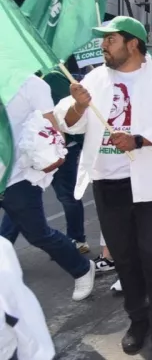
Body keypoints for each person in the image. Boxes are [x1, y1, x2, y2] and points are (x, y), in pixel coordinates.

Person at [54, 16, 152, 359]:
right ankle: (138, 320)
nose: (103, 46)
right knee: (126, 260)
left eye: (110, 40)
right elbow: (68, 123)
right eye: (104, 40)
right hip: (109, 184)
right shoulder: (95, 79)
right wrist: (78, 106)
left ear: (133, 44)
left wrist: (140, 140)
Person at [0, 75, 95, 301]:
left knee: (37, 234)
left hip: (18, 175)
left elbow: (52, 129)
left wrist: (51, 159)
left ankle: (81, 268)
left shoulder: (31, 84)